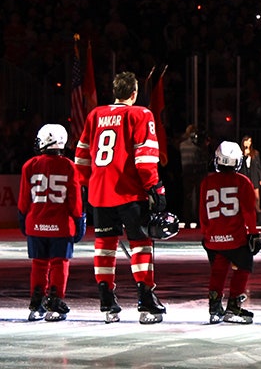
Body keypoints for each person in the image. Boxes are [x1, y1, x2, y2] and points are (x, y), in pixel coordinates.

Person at [74, 71, 169, 324]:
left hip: (100, 193)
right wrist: (155, 188)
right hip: (129, 192)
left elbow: (81, 156)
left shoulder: (95, 115)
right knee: (141, 243)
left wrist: (88, 183)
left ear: (114, 92)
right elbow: (145, 157)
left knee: (105, 245)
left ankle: (107, 301)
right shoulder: (141, 114)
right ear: (134, 93)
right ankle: (146, 300)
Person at [18, 123, 85, 322]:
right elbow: (75, 200)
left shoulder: (29, 165)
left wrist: (23, 219)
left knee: (38, 264)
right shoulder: (69, 166)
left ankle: (36, 304)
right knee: (59, 264)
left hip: (36, 224)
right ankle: (55, 303)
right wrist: (79, 220)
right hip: (61, 226)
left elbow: (23, 200)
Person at [200, 141, 261, 324]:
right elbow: (248, 211)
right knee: (243, 266)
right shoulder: (243, 181)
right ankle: (234, 305)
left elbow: (203, 210)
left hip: (213, 237)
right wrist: (253, 232)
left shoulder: (207, 182)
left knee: (218, 270)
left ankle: (214, 305)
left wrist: (206, 232)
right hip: (235, 237)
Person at [240, 135, 261, 212]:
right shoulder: (240, 153)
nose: (248, 143)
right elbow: (239, 166)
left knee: (256, 196)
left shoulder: (255, 153)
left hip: (254, 176)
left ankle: (258, 213)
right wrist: (244, 156)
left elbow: (258, 167)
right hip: (245, 176)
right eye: (246, 141)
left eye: (249, 141)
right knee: (245, 196)